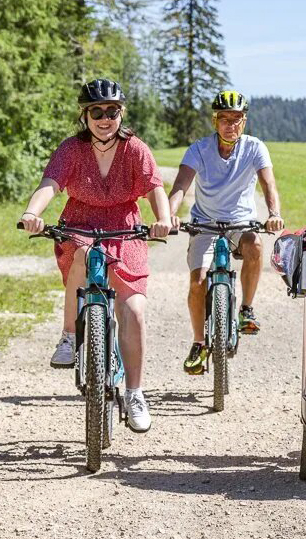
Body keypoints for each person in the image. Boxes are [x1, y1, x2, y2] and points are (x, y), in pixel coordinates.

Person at [19, 78, 171, 432]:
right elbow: (50, 185)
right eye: (97, 112)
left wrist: (162, 220)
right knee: (83, 256)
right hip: (80, 224)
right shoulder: (71, 150)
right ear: (85, 116)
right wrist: (31, 213)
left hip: (125, 229)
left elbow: (154, 188)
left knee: (133, 311)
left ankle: (134, 393)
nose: (105, 119)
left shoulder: (135, 149)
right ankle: (70, 337)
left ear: (121, 113)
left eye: (112, 111)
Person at [168, 90, 284, 375]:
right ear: (214, 121)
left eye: (236, 118)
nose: (230, 124)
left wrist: (274, 214)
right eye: (224, 119)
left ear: (244, 121)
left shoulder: (255, 148)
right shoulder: (199, 149)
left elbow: (268, 185)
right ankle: (198, 343)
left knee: (255, 245)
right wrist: (168, 214)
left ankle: (246, 309)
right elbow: (181, 185)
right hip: (205, 223)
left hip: (241, 223)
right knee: (198, 281)